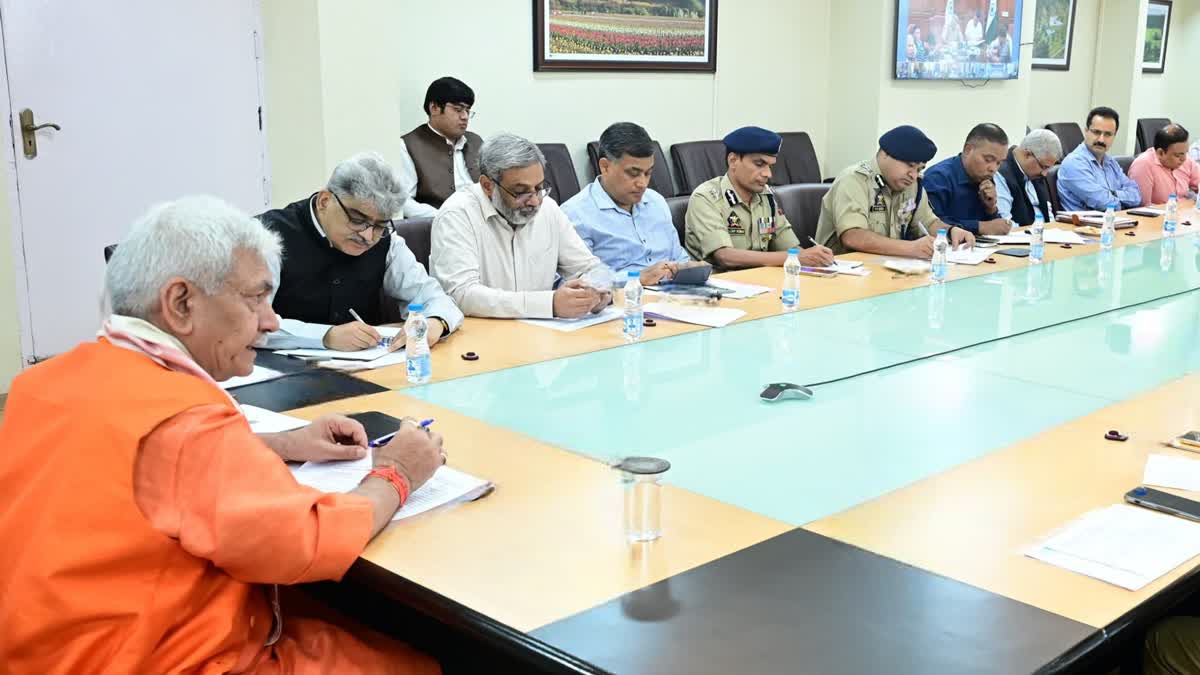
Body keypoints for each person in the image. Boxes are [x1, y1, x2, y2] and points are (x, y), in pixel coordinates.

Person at [0, 196, 444, 674]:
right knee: (420, 660)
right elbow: (305, 543)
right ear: (182, 303)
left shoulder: (39, 385)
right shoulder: (185, 420)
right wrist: (397, 474)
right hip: (153, 658)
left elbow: (128, 467)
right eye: (255, 298)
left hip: (41, 651)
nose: (271, 321)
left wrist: (281, 444)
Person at [258, 152, 463, 352]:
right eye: (357, 220)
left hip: (366, 370)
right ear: (324, 201)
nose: (367, 236)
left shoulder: (386, 241)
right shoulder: (266, 237)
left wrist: (435, 322)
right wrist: (324, 336)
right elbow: (248, 323)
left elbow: (435, 298)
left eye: (380, 225)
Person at [430, 133, 612, 319]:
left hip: (543, 335)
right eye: (520, 192)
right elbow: (462, 295)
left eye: (539, 187)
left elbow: (588, 267)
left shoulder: (548, 208)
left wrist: (597, 290)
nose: (534, 201)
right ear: (487, 185)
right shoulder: (457, 215)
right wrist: (549, 304)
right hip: (480, 336)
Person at [561, 122, 695, 286]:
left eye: (648, 173)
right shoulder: (575, 214)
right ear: (605, 166)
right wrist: (636, 277)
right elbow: (583, 279)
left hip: (676, 296)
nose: (642, 183)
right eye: (633, 173)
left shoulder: (656, 202)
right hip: (622, 302)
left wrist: (690, 268)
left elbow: (679, 257)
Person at [684, 126, 834, 270]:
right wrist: (795, 257)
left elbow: (790, 247)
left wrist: (814, 257)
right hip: (717, 286)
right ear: (733, 161)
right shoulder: (706, 197)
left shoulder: (765, 197)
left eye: (770, 166)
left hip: (760, 283)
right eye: (759, 164)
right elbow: (725, 256)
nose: (768, 174)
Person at [814, 125, 974, 257]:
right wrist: (911, 248)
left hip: (890, 271)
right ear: (884, 154)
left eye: (919, 168)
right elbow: (853, 236)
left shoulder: (912, 184)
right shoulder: (854, 180)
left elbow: (928, 222)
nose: (913, 175)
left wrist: (950, 231)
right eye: (909, 165)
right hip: (844, 274)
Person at [396, 76, 483, 218]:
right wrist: (444, 217)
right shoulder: (408, 145)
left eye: (467, 110)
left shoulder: (476, 141)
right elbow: (404, 203)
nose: (465, 116)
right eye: (458, 109)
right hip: (438, 227)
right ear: (434, 108)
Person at [924, 123, 1013, 236]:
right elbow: (931, 224)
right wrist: (980, 227)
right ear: (968, 150)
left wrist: (991, 209)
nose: (994, 169)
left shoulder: (986, 179)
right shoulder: (938, 178)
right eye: (988, 159)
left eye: (999, 163)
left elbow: (994, 228)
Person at [1057, 106, 1143, 211]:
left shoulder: (1111, 163)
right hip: (1083, 226)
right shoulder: (1074, 163)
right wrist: (1123, 201)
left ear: (1114, 136)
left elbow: (1136, 196)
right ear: (1086, 131)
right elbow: (1105, 204)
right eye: (1096, 132)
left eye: (1108, 134)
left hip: (1112, 223)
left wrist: (1113, 193)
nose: (1101, 139)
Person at [995, 129, 1063, 226]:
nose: (1045, 174)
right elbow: (1005, 223)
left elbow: (1048, 214)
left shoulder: (1036, 173)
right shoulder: (1000, 173)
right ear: (1027, 154)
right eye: (1044, 167)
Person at [1128, 123, 1200, 204]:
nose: (1184, 159)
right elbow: (1142, 207)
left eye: (1185, 153)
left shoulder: (1186, 161)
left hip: (1185, 213)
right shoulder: (1143, 165)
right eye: (1177, 155)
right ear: (1161, 153)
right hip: (1161, 215)